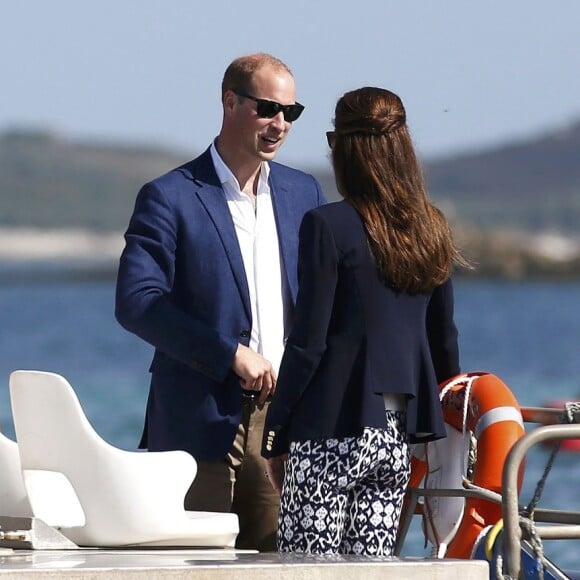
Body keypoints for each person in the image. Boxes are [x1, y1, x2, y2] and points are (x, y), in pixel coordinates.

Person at [115, 53, 326, 552]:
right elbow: (137, 302)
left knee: (280, 561)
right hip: (200, 421)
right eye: (267, 109)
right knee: (199, 563)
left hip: (284, 421)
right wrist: (227, 353)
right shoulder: (169, 196)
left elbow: (323, 302)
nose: (279, 124)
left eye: (290, 113)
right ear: (230, 102)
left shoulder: (304, 192)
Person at [261, 86, 468, 556]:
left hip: (328, 432)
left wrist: (275, 433)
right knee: (372, 568)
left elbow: (308, 344)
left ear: (346, 149)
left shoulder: (327, 224)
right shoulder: (431, 226)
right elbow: (444, 343)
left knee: (308, 567)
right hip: (396, 437)